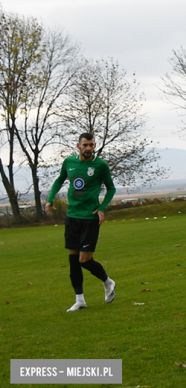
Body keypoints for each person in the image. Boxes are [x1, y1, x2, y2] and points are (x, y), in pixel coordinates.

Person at [45, 133, 117, 312]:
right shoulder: (69, 162)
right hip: (72, 217)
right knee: (73, 260)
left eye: (91, 145)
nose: (88, 148)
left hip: (90, 218)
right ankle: (80, 300)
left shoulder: (100, 165)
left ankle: (108, 282)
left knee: (84, 259)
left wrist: (102, 207)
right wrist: (50, 198)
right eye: (85, 145)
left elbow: (111, 188)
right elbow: (60, 180)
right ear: (78, 146)